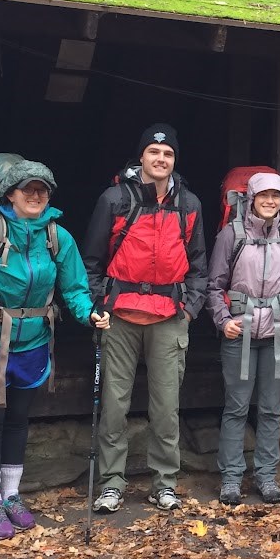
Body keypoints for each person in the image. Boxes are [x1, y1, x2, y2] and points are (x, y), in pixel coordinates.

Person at [0, 160, 110, 539]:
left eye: (43, 190)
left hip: (35, 342)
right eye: (28, 189)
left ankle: (12, 495)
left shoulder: (58, 237)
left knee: (19, 417)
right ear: (10, 194)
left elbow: (74, 288)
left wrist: (89, 313)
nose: (36, 196)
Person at [82, 123, 206, 513]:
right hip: (119, 315)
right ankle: (112, 483)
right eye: (154, 153)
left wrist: (189, 309)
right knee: (115, 405)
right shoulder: (115, 199)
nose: (161, 159)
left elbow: (199, 265)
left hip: (169, 316)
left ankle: (164, 482)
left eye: (168, 154)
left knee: (166, 407)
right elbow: (91, 261)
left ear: (174, 160)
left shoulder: (189, 204)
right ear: (142, 157)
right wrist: (97, 304)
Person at [207, 171, 280, 506]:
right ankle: (230, 479)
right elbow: (214, 285)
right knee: (236, 407)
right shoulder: (231, 235)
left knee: (270, 409)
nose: (270, 202)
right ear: (251, 198)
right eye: (263, 195)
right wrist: (222, 320)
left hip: (279, 333)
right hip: (239, 332)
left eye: (276, 196)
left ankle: (266, 477)